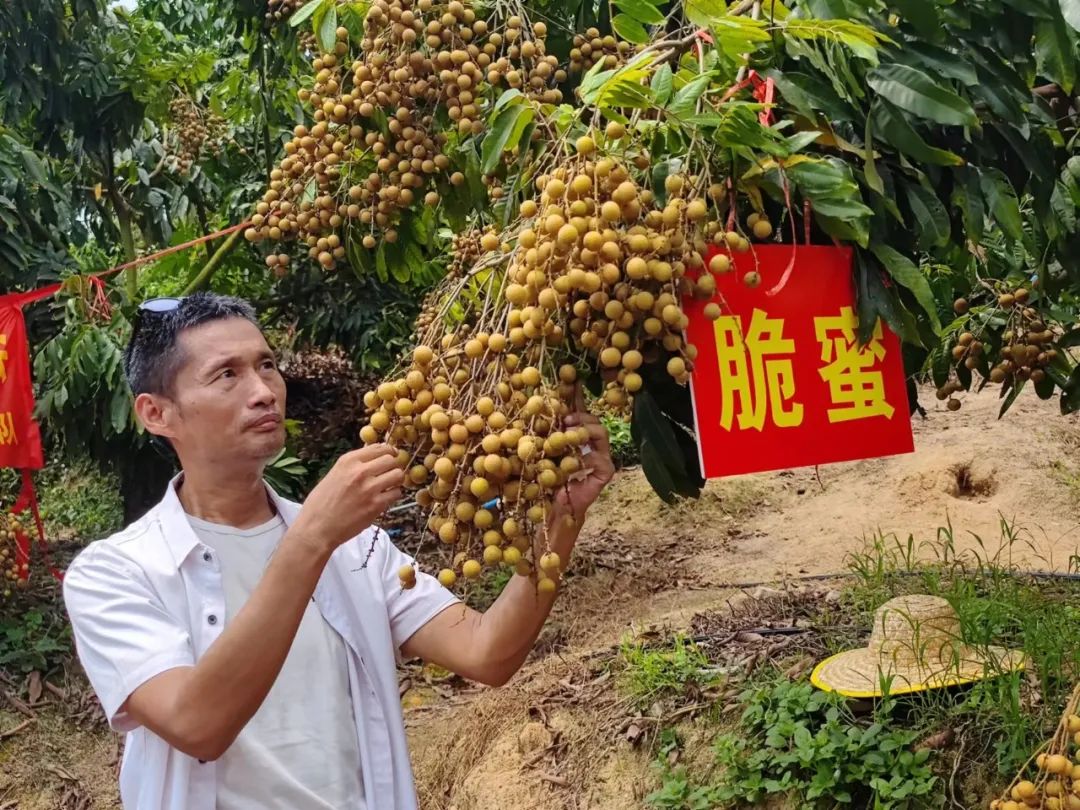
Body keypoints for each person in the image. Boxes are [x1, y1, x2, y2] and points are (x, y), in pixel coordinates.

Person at [62, 292, 614, 810]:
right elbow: (197, 723)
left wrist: (563, 518)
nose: (262, 390)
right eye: (226, 375)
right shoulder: (115, 573)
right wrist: (313, 537)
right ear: (157, 414)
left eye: (266, 365)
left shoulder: (356, 545)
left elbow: (487, 652)